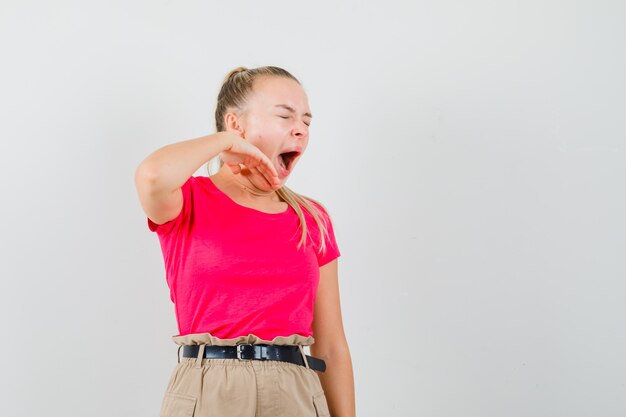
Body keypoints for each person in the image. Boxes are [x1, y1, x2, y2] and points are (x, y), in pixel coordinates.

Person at [134, 66, 355, 417]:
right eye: (285, 115)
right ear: (236, 124)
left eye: (307, 121)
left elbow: (331, 346)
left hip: (296, 390)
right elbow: (152, 175)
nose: (300, 129)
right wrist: (226, 143)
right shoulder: (188, 200)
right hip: (208, 388)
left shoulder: (310, 218)